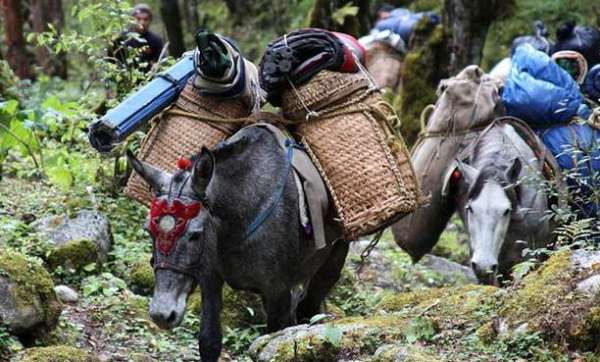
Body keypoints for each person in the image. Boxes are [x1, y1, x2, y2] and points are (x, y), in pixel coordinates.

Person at [111, 4, 165, 74]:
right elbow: (111, 62)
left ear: (150, 20)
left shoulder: (156, 40)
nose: (142, 22)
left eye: (145, 19)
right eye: (138, 19)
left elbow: (161, 60)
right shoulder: (121, 38)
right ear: (132, 19)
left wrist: (157, 65)